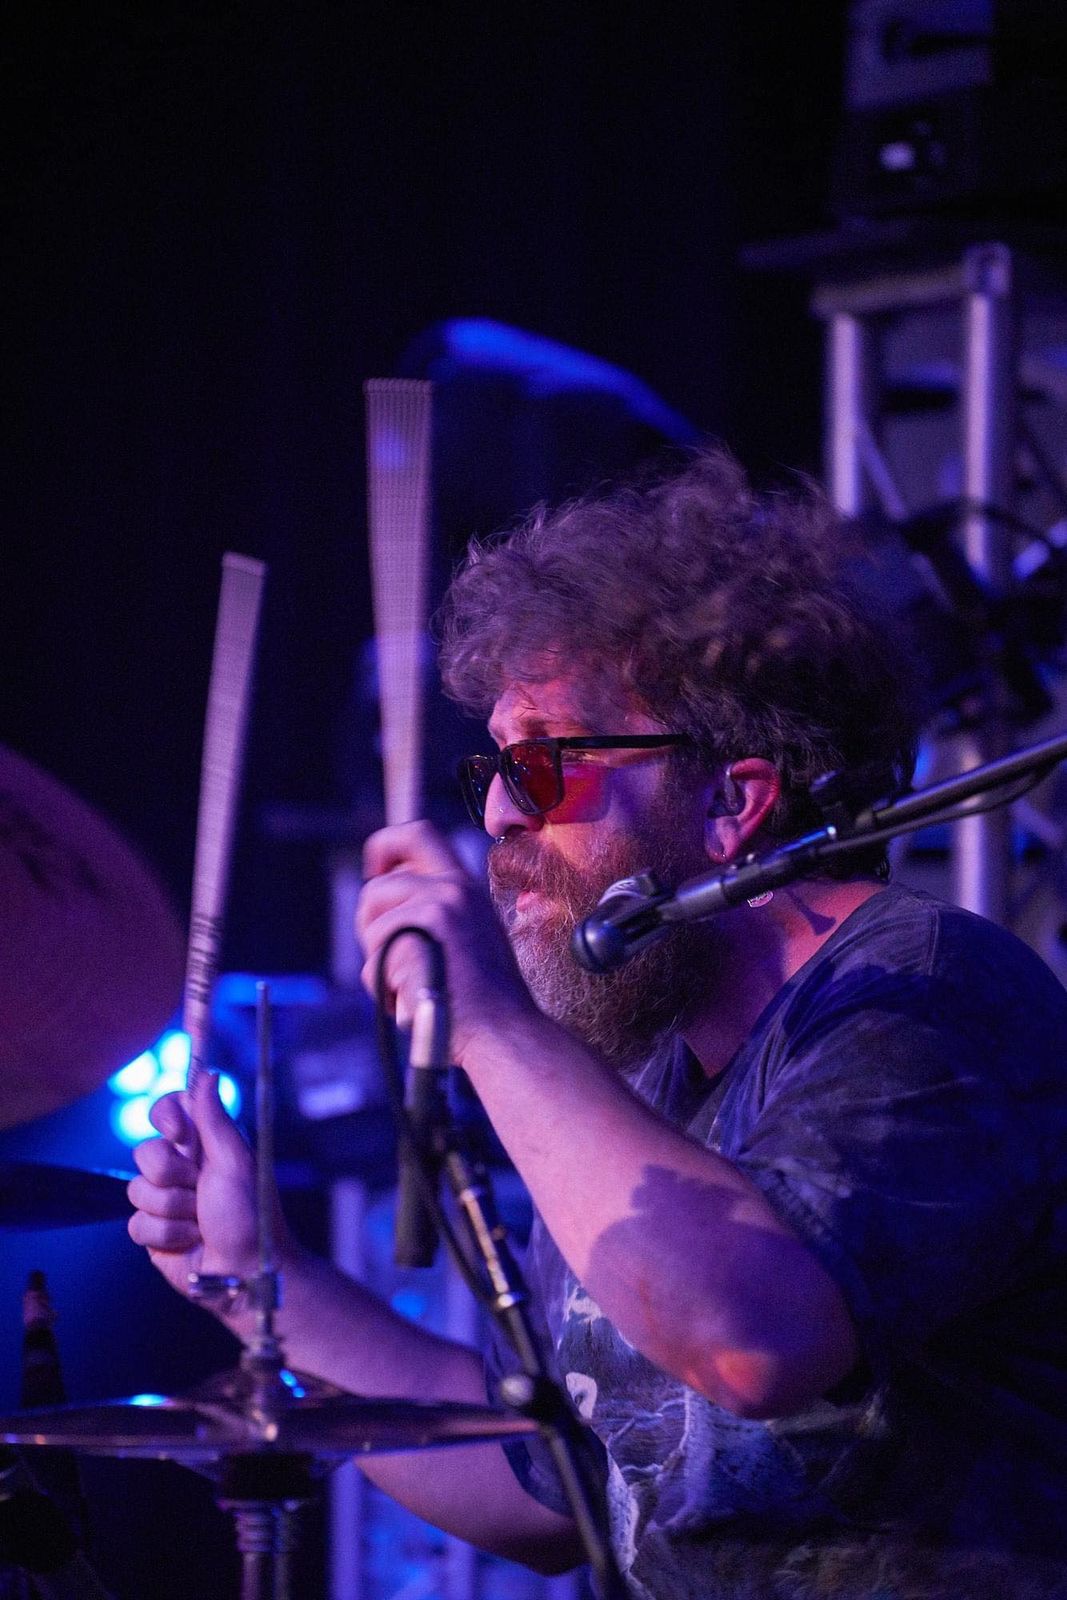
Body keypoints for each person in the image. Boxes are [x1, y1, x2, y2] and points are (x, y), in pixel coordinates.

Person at [129, 448, 1067, 1598]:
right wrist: (257, 1275)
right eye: (490, 770)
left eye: (542, 766)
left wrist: (491, 1025)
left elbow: (750, 1341)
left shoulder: (921, 996)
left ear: (731, 802)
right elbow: (548, 1490)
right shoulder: (650, 1073)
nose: (494, 816)